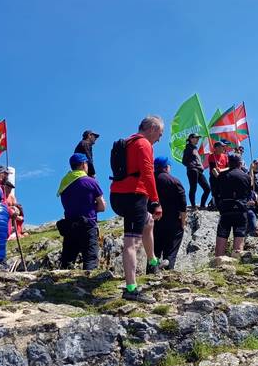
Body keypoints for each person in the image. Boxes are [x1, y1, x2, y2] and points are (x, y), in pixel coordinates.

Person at [109, 115, 164, 303]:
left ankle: (153, 262)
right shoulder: (144, 145)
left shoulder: (128, 141)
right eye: (160, 134)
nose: (159, 139)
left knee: (148, 222)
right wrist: (155, 201)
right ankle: (131, 289)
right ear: (152, 128)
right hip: (133, 196)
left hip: (117, 195)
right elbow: (148, 173)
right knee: (131, 242)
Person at [57, 153, 105, 271]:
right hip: (87, 225)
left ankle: (61, 288)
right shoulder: (90, 181)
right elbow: (102, 206)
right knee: (90, 259)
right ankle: (87, 285)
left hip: (69, 226)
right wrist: (93, 208)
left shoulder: (64, 183)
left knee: (67, 261)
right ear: (84, 164)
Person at [153, 156, 186, 269]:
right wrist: (182, 222)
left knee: (155, 248)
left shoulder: (149, 180)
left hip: (154, 220)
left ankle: (152, 270)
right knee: (172, 245)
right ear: (167, 167)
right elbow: (183, 204)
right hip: (172, 220)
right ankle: (168, 262)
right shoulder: (175, 181)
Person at [215, 154, 251, 257]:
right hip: (240, 210)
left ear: (228, 163)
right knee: (238, 242)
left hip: (226, 210)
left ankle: (218, 263)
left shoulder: (222, 176)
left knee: (221, 239)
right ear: (240, 164)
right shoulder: (246, 177)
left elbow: (216, 193)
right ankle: (235, 265)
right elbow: (248, 194)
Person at [182, 133, 210, 209]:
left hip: (199, 171)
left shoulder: (195, 149)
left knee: (207, 188)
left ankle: (202, 205)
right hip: (193, 170)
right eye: (196, 138)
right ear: (191, 139)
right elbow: (184, 161)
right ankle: (193, 206)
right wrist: (192, 165)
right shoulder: (188, 149)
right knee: (193, 188)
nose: (198, 139)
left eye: (198, 138)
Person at [208, 141, 229, 208]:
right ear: (216, 148)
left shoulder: (225, 156)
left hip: (223, 176)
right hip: (214, 177)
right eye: (222, 146)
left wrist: (221, 170)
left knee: (224, 192)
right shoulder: (211, 156)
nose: (224, 148)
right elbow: (213, 169)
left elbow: (228, 167)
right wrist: (218, 177)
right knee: (216, 192)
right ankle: (215, 204)